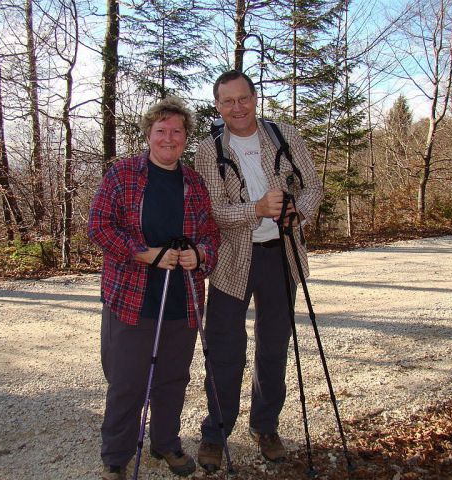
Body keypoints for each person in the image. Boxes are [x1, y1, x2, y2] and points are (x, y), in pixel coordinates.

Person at [194, 70, 323, 472]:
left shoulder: (284, 135)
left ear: (255, 97)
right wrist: (257, 209)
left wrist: (294, 212)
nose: (237, 108)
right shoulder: (207, 149)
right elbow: (213, 212)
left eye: (243, 99)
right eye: (227, 101)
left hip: (281, 255)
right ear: (217, 106)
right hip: (234, 259)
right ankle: (215, 432)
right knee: (224, 349)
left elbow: (314, 187)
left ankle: (265, 426)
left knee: (274, 346)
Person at [88, 96, 220, 480]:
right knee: (127, 380)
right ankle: (116, 454)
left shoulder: (194, 182)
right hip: (132, 297)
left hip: (184, 298)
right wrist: (143, 254)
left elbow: (211, 235)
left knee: (174, 378)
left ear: (185, 138)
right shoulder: (123, 174)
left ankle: (166, 442)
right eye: (161, 130)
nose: (168, 137)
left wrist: (200, 254)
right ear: (148, 134)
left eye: (176, 131)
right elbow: (99, 227)